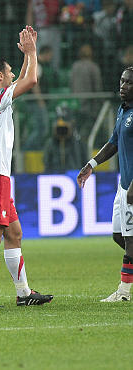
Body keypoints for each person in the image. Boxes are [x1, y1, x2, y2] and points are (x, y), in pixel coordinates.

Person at [0, 26, 53, 306]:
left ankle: (23, 294)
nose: (10, 76)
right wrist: (32, 53)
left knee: (14, 232)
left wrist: (26, 56)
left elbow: (20, 78)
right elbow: (29, 82)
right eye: (7, 72)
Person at [77, 67, 133, 302]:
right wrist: (91, 164)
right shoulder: (122, 111)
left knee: (131, 241)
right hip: (124, 185)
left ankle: (123, 292)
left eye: (128, 83)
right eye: (121, 81)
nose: (123, 86)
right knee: (118, 236)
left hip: (132, 187)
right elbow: (113, 143)